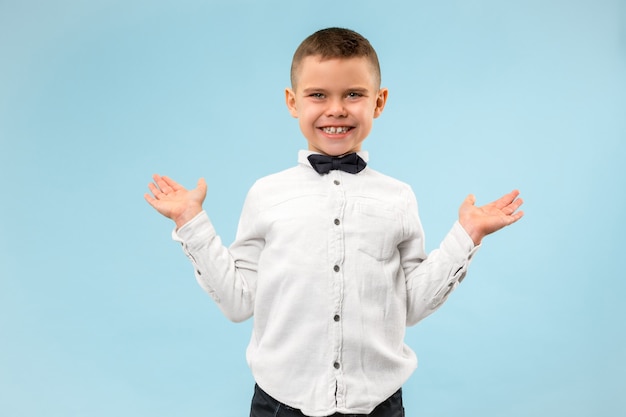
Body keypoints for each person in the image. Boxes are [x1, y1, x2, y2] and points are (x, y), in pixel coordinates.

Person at [144, 27, 524, 417]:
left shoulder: (399, 197)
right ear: (293, 102)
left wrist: (467, 235)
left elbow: (409, 305)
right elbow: (239, 302)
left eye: (354, 94)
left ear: (379, 102)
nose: (336, 109)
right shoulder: (265, 194)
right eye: (318, 95)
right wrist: (191, 223)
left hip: (378, 403)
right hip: (281, 402)